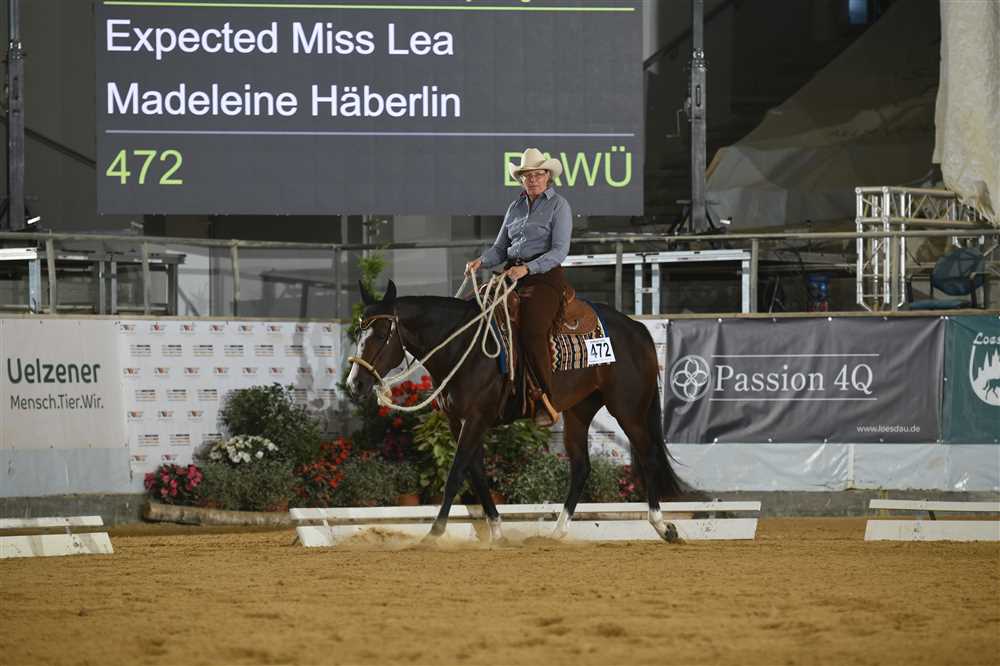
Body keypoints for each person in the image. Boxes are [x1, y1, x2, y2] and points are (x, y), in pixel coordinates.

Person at [466, 148, 571, 426]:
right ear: (521, 179)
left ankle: (545, 398)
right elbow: (500, 248)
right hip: (511, 274)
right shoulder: (515, 208)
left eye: (538, 174)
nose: (533, 179)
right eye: (527, 175)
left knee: (533, 331)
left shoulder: (559, 205)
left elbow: (559, 251)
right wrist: (481, 261)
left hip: (544, 277)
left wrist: (528, 268)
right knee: (471, 311)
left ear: (548, 176)